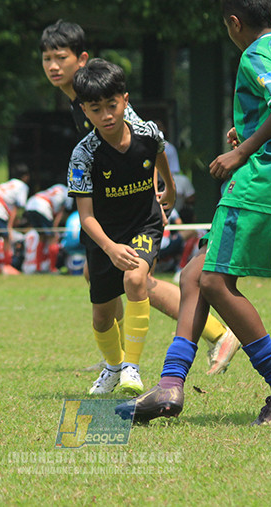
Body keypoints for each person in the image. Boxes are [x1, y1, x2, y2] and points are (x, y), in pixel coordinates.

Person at [125, 0, 271, 426]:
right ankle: (171, 386)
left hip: (260, 184)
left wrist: (242, 150)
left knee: (215, 283)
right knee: (194, 275)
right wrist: (256, 131)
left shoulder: (254, 53)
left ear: (234, 23)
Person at [40, 19, 240, 375]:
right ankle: (115, 359)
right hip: (110, 212)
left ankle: (218, 334)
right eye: (46, 59)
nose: (53, 66)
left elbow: (140, 145)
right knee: (98, 275)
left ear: (81, 59)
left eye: (61, 57)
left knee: (137, 279)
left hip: (134, 211)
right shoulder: (80, 103)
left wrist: (157, 194)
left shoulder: (102, 96)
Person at [67, 59, 176, 396]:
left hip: (144, 222)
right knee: (101, 317)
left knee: (135, 277)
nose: (106, 115)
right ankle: (113, 368)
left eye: (112, 105)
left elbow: (159, 153)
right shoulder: (83, 155)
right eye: (96, 109)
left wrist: (168, 188)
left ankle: (132, 365)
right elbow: (86, 217)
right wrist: (110, 248)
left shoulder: (148, 133)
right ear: (85, 110)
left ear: (125, 100)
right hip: (104, 237)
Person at [22, 183, 71, 273]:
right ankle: (52, 269)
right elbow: (61, 212)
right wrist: (54, 228)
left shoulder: (57, 187)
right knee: (53, 238)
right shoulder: (68, 192)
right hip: (43, 206)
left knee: (41, 237)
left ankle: (38, 268)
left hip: (30, 204)